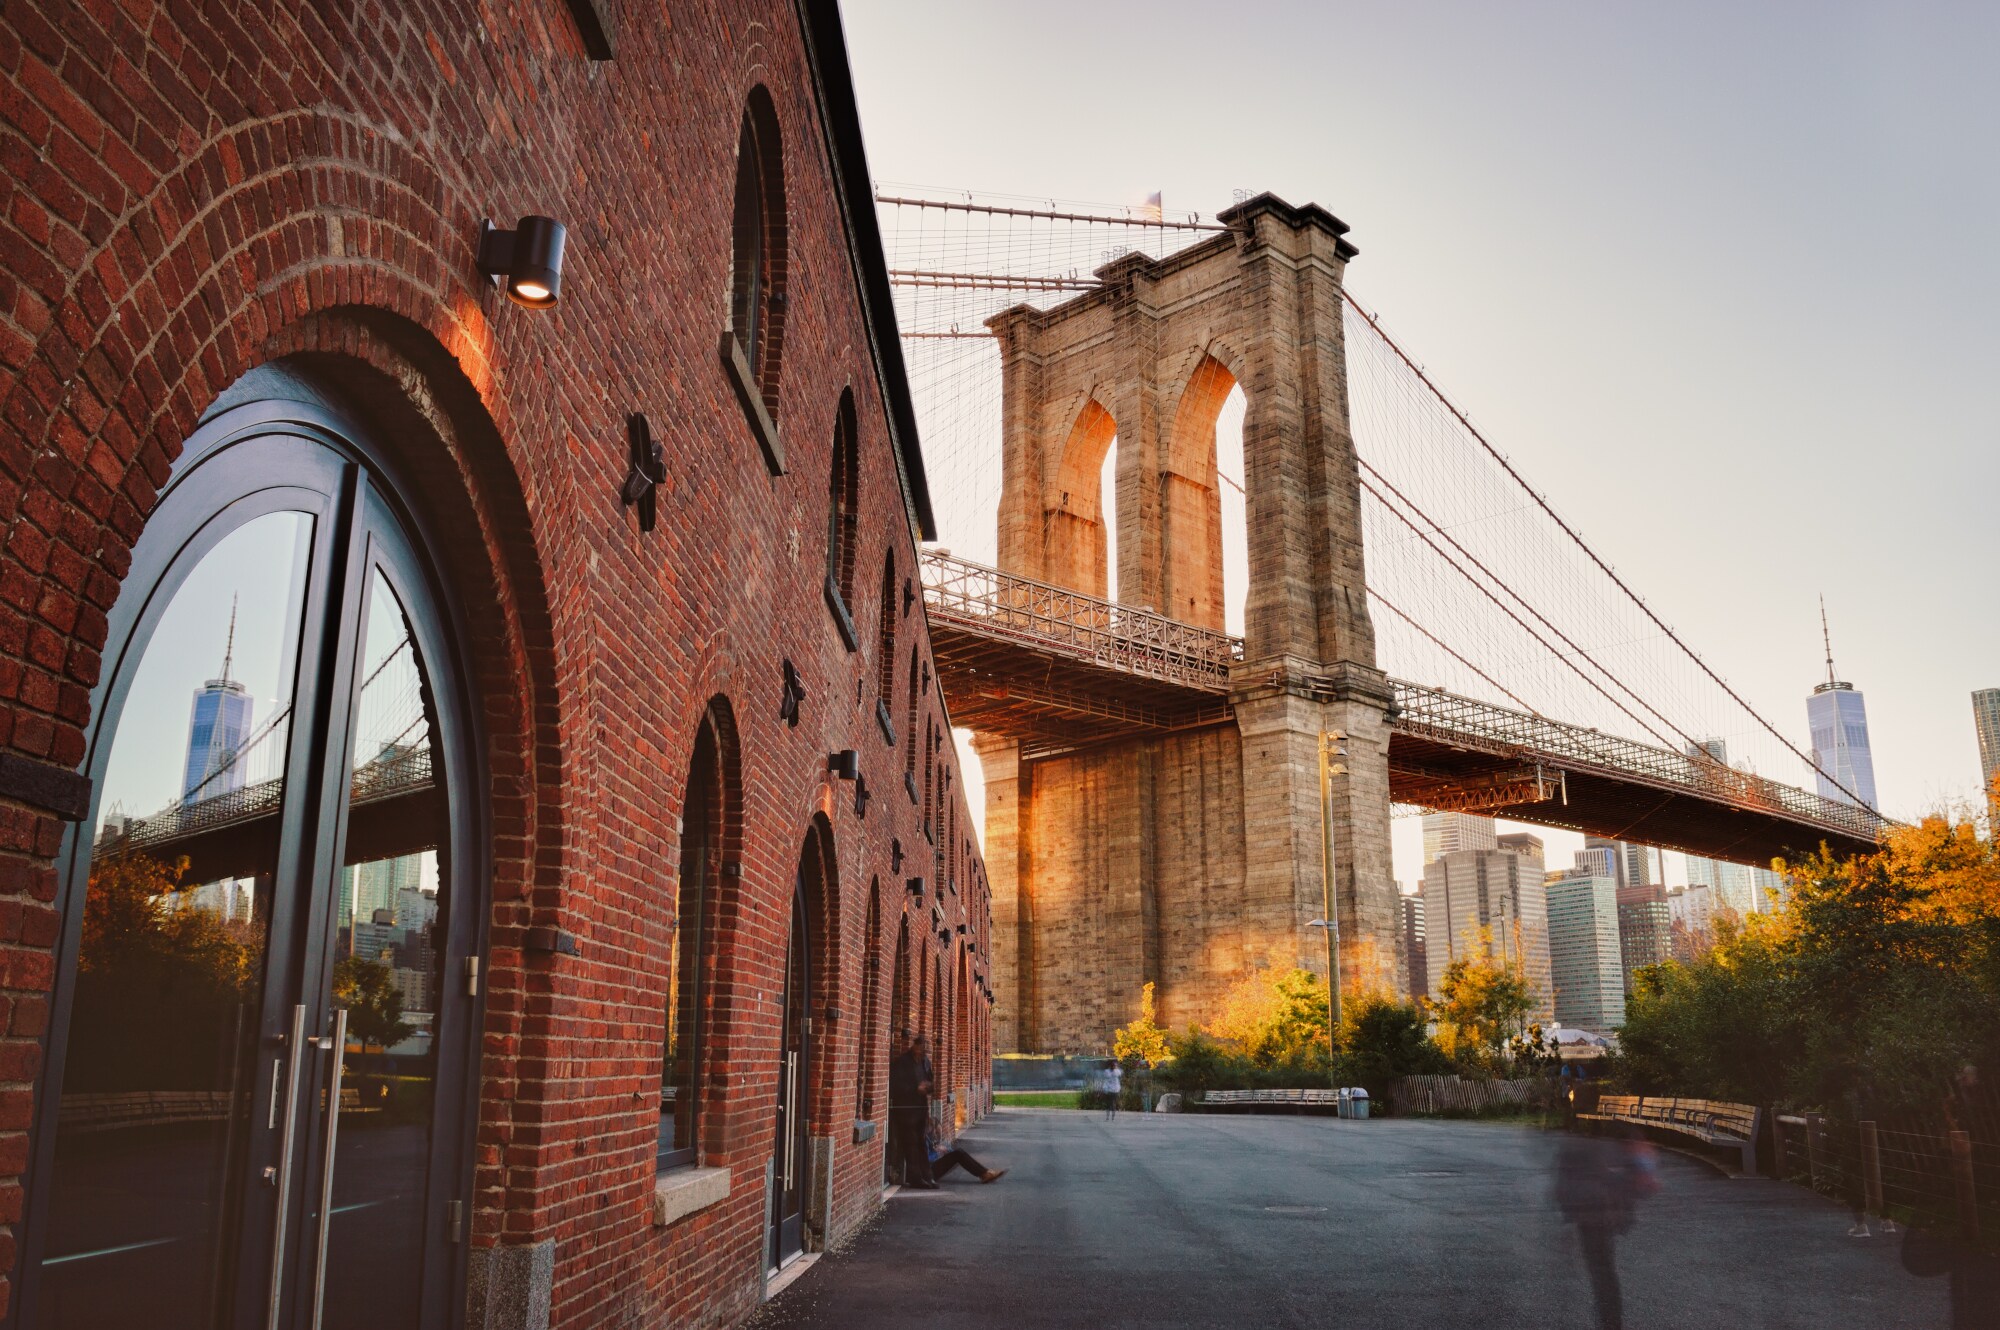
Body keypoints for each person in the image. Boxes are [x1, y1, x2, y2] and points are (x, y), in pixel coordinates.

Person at [1553, 1124, 1657, 1330]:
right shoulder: (1603, 1138)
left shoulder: (1586, 1143)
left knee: (1602, 1271)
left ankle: (1610, 1323)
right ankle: (1610, 1322)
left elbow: (1567, 1180)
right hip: (1598, 1210)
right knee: (1603, 1271)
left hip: (1594, 1211)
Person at [888, 1027, 936, 1189]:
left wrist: (928, 1087)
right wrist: (915, 1088)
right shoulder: (902, 1062)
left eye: (924, 1050)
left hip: (920, 1110)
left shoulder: (925, 1063)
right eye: (920, 1048)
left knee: (921, 1143)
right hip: (906, 1111)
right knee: (911, 1144)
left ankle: (928, 1176)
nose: (922, 1052)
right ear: (915, 1046)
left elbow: (932, 1083)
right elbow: (895, 1086)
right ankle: (915, 1178)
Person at [927, 1121, 1007, 1183]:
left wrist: (944, 1150)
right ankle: (985, 1174)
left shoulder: (928, 1138)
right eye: (935, 1131)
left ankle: (986, 1172)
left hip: (931, 1167)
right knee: (958, 1153)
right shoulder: (921, 1140)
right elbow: (925, 1160)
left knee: (958, 1152)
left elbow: (950, 1151)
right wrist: (937, 1153)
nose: (936, 1134)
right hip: (927, 1172)